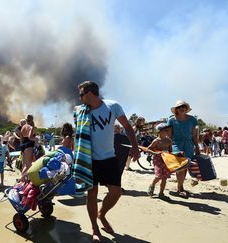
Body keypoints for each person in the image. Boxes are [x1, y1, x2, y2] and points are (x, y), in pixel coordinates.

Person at [74, 81, 139, 242]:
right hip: (89, 160)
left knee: (116, 192)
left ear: (89, 94)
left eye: (81, 94)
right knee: (92, 193)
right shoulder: (81, 112)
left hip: (109, 157)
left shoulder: (112, 106)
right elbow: (79, 136)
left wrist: (135, 147)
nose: (79, 98)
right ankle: (95, 229)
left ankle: (101, 214)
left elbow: (127, 127)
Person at [167, 100, 200, 198]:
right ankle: (180, 189)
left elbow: (194, 135)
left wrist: (197, 146)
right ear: (176, 109)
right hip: (176, 145)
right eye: (179, 107)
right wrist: (168, 148)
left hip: (189, 145)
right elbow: (169, 135)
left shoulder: (193, 119)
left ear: (186, 109)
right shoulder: (171, 120)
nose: (182, 108)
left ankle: (180, 187)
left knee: (185, 167)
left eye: (183, 107)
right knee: (180, 166)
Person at [147, 123, 173, 199]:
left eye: (168, 131)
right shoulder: (156, 141)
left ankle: (161, 193)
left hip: (166, 160)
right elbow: (148, 149)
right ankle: (152, 185)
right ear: (159, 132)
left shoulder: (169, 141)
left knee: (164, 177)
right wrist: (154, 153)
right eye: (165, 131)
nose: (167, 132)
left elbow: (170, 151)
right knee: (158, 176)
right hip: (157, 159)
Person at [20, 115, 37, 181]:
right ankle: (23, 179)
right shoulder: (30, 127)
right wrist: (36, 139)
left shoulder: (23, 127)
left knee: (24, 165)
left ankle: (23, 179)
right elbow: (30, 137)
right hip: (29, 146)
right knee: (28, 165)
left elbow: (21, 139)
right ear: (32, 120)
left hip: (23, 146)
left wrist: (22, 148)